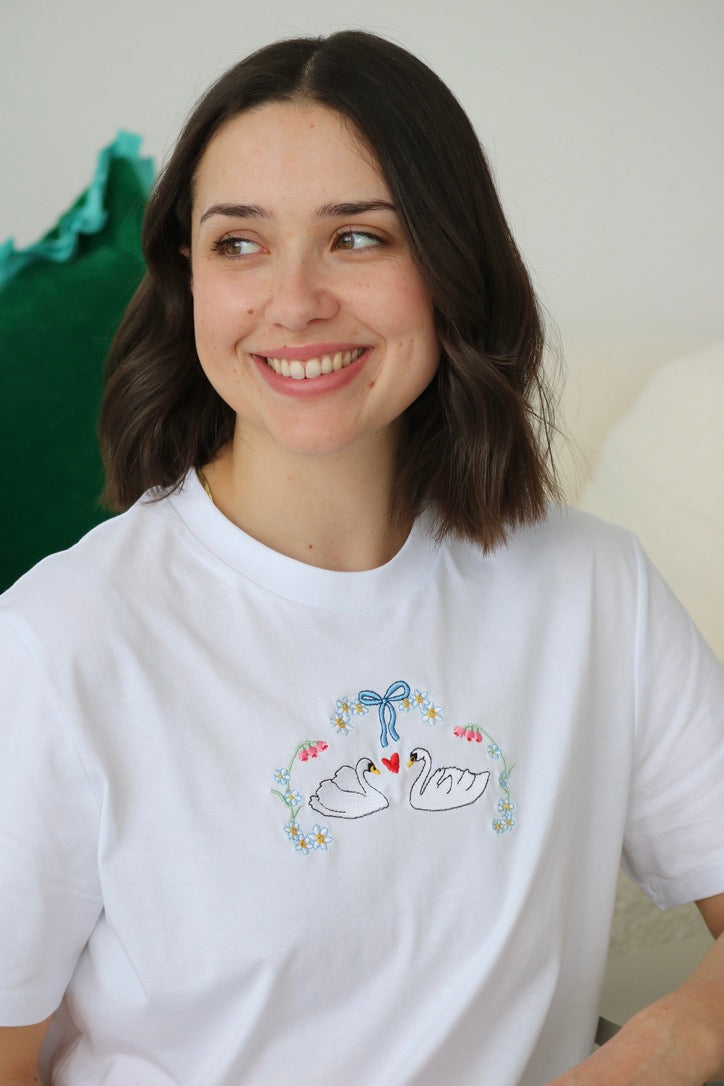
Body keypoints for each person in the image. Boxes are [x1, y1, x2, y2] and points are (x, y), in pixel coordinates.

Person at [0, 29, 722, 1086]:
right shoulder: (57, 644)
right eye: (238, 244)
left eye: (357, 238)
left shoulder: (592, 590)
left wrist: (679, 1037)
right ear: (188, 280)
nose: (294, 301)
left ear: (449, 262)